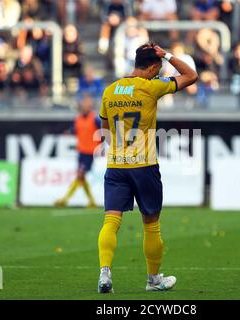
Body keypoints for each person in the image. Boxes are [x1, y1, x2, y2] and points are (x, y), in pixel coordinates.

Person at [97, 43, 198, 293]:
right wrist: (168, 55)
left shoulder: (109, 91)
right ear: (153, 66)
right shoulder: (151, 87)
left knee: (111, 220)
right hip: (144, 166)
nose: (158, 72)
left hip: (116, 165)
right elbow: (191, 76)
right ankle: (153, 280)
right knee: (151, 224)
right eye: (158, 67)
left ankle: (104, 274)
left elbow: (105, 131)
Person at [55, 95, 101, 208]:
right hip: (81, 150)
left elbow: (102, 132)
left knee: (80, 174)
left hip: (90, 152)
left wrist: (100, 146)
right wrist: (68, 132)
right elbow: (75, 129)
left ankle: (65, 199)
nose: (86, 106)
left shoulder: (95, 119)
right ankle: (92, 201)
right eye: (85, 104)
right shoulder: (78, 118)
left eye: (88, 104)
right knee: (82, 177)